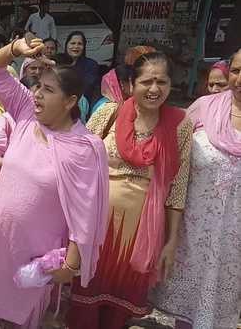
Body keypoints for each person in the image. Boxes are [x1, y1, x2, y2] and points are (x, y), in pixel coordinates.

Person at [0, 38, 109, 328]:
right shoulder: (25, 114)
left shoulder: (85, 147)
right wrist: (14, 49)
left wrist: (70, 265)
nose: (36, 95)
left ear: (70, 101)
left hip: (34, 258)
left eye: (48, 90)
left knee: (21, 320)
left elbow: (85, 214)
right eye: (37, 87)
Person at [68, 52, 193, 329]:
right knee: (85, 301)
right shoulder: (109, 113)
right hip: (97, 228)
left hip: (141, 235)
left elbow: (177, 189)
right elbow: (77, 159)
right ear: (131, 84)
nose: (154, 89)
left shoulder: (180, 125)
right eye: (146, 81)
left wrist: (171, 242)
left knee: (121, 311)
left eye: (162, 82)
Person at [151, 50, 241, 329]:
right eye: (236, 70)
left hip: (233, 244)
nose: (240, 79)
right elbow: (174, 167)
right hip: (190, 234)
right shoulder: (204, 108)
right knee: (184, 313)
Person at [65, 31, 100, 103]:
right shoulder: (59, 62)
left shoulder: (91, 65)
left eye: (80, 44)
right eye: (73, 43)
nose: (76, 46)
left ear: (84, 47)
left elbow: (87, 87)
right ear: (67, 45)